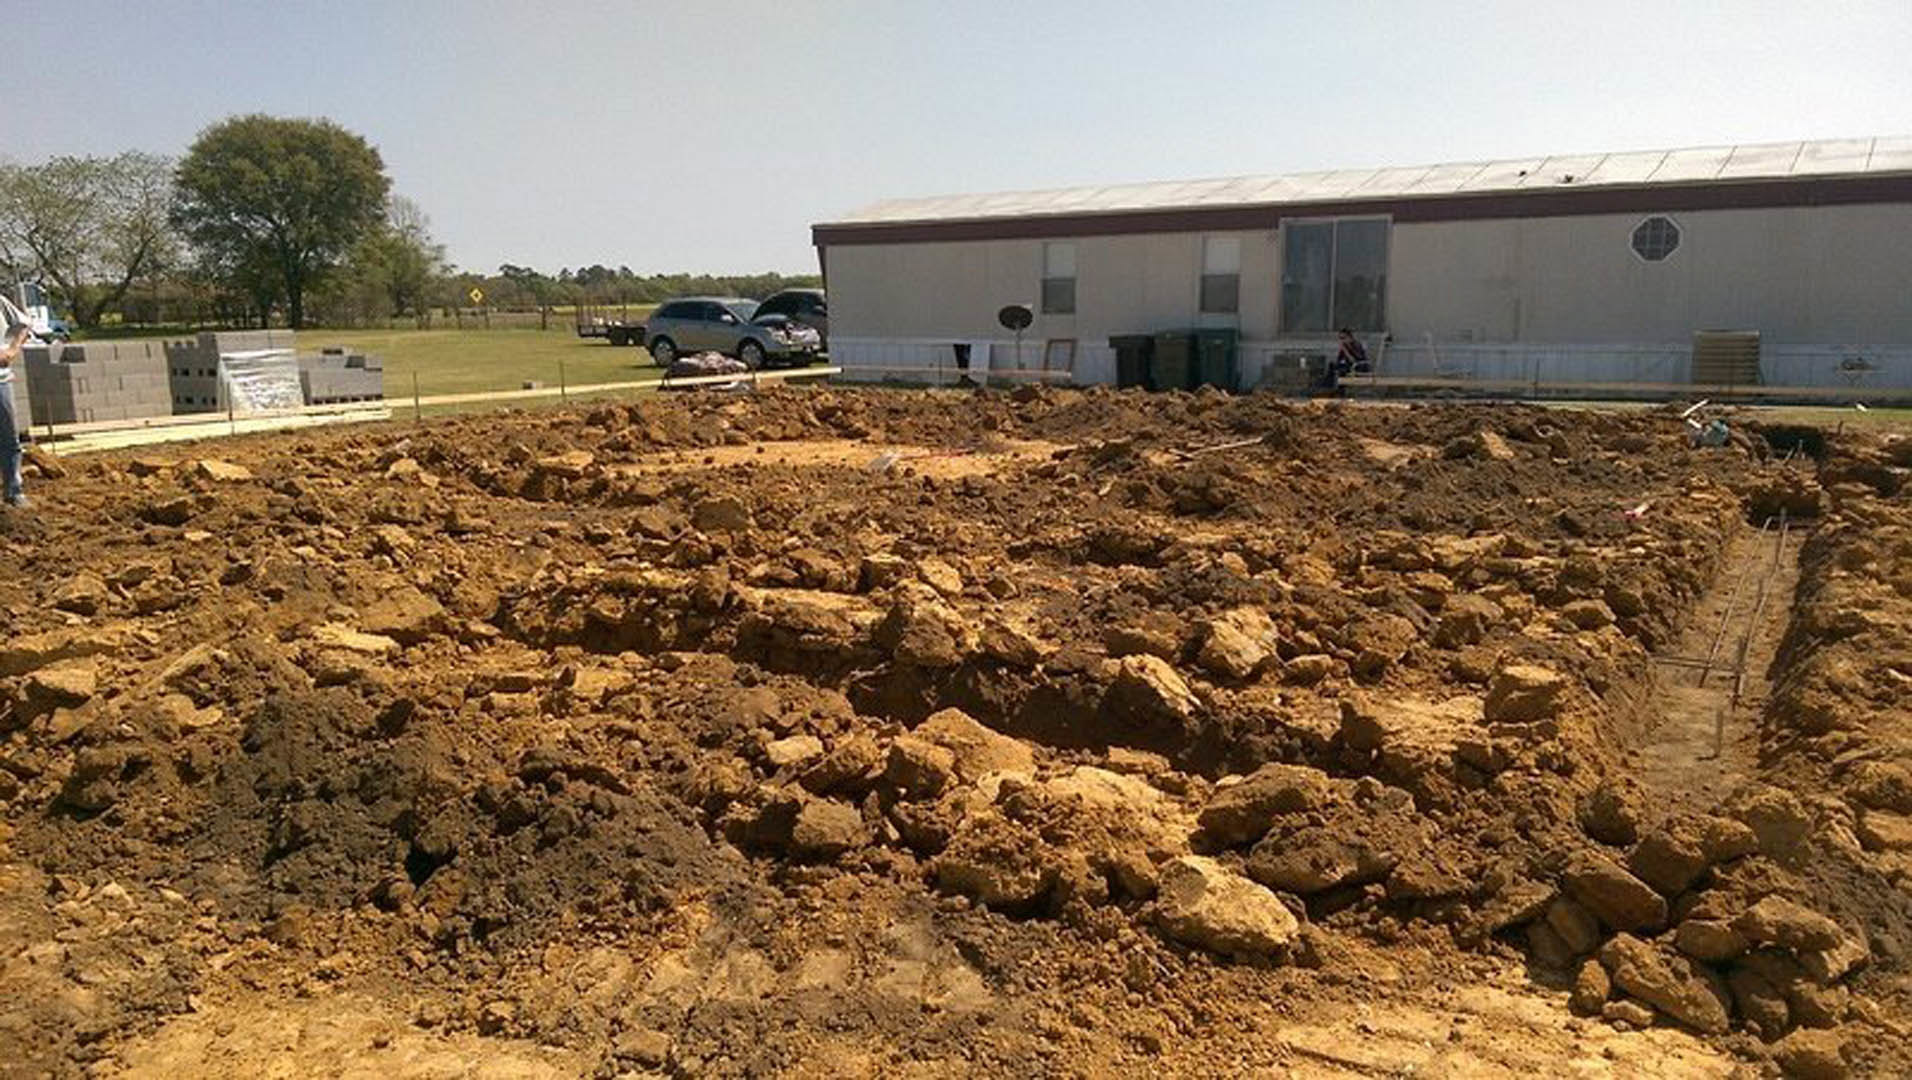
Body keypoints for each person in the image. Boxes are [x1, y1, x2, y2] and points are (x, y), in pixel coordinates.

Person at [0, 292, 32, 507]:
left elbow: (23, 324)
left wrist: (12, 350)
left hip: (1, 381)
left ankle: (14, 491)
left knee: (9, 438)